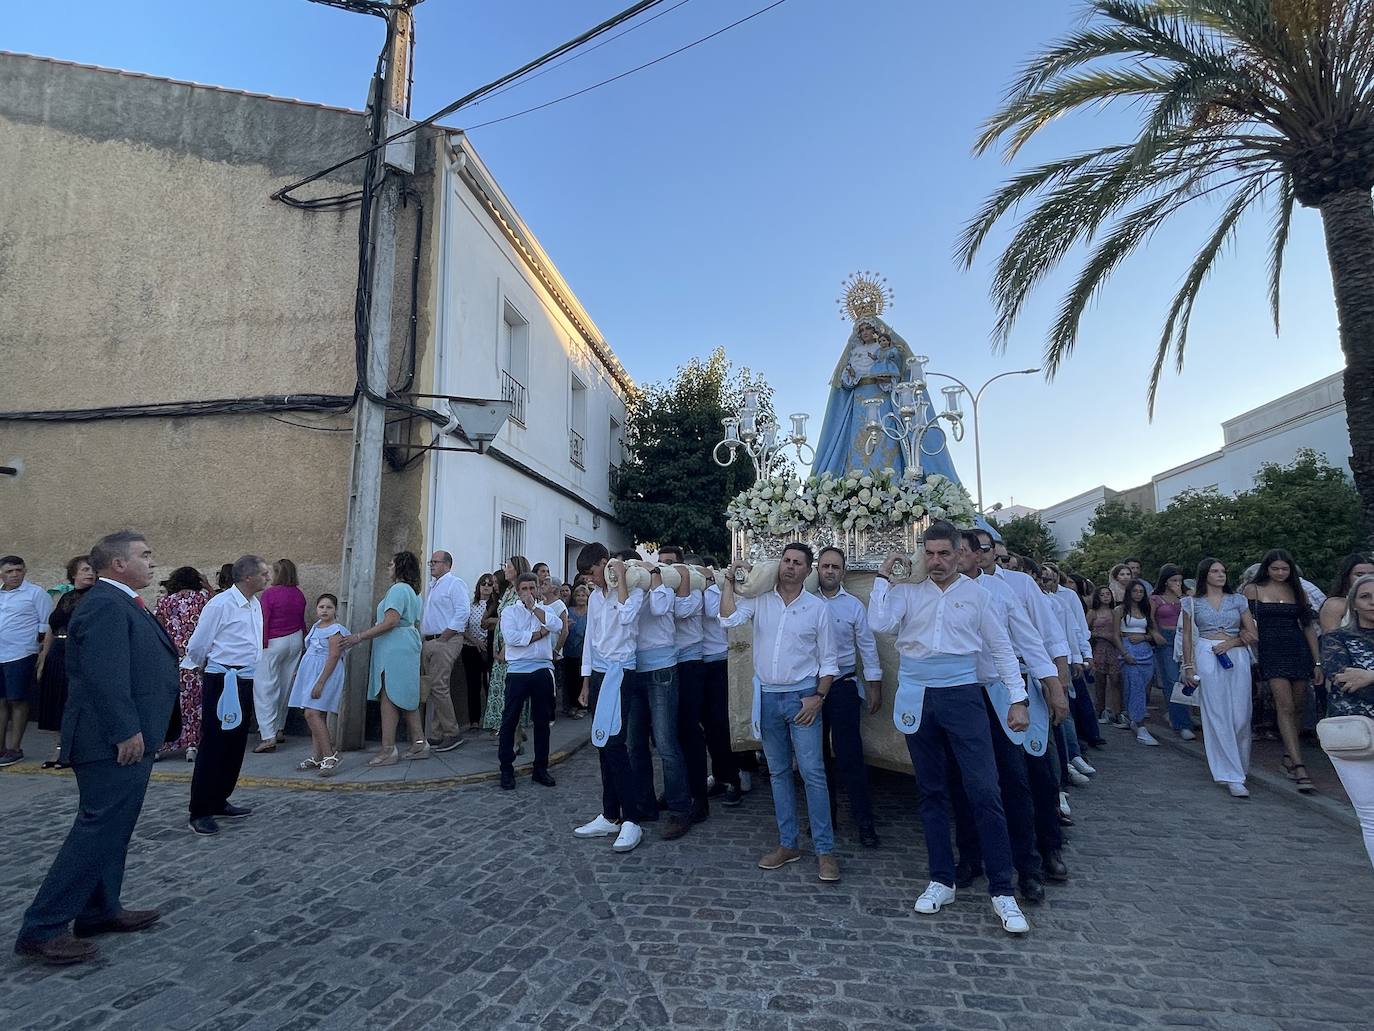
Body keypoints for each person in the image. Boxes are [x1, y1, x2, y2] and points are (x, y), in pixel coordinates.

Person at [13, 532, 179, 966]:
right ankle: (43, 928)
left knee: (114, 829)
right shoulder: (106, 604)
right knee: (96, 830)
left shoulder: (121, 601)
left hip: (129, 736)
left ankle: (99, 910)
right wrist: (125, 731)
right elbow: (106, 676)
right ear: (118, 564)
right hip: (112, 742)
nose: (153, 562)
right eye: (145, 555)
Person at [869, 523, 1031, 935]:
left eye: (945, 553)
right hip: (917, 694)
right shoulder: (906, 591)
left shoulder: (980, 596)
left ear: (961, 553)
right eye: (931, 553)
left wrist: (1018, 697)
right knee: (931, 789)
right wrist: (884, 578)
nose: (937, 561)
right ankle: (942, 878)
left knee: (984, 789)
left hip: (962, 694)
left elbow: (1000, 647)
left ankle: (1002, 889)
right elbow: (881, 624)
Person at [721, 543, 841, 883]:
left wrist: (818, 697)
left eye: (797, 563)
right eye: (786, 561)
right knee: (777, 773)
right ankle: (788, 844)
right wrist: (730, 581)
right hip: (769, 698)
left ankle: (825, 850)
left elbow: (829, 660)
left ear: (808, 570)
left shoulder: (817, 609)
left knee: (813, 773)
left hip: (803, 698)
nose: (790, 567)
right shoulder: (759, 601)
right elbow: (728, 619)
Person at [955, 532, 1061, 905]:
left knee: (1016, 782)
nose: (963, 557)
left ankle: (1028, 866)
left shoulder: (1002, 592)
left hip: (1003, 692)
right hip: (962, 696)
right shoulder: (938, 592)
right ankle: (970, 857)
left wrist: (1053, 683)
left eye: (967, 551)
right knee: (965, 783)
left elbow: (1030, 639)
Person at [183, 555, 270, 834]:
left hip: (245, 678)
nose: (268, 578)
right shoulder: (220, 604)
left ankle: (220, 798)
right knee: (215, 742)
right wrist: (204, 668)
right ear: (248, 577)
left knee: (235, 741)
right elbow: (198, 644)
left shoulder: (254, 604)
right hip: (222, 679)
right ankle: (200, 809)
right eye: (264, 574)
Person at [573, 544, 648, 854]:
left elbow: (629, 617)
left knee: (616, 743)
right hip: (601, 673)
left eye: (592, 572)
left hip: (621, 671)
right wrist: (586, 681)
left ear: (604, 564)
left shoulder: (634, 589)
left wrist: (621, 579)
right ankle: (610, 813)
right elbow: (590, 640)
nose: (590, 580)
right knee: (602, 742)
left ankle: (632, 818)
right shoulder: (593, 597)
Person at [814, 546, 882, 848]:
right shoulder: (804, 603)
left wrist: (874, 684)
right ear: (817, 569)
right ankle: (824, 817)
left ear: (843, 572)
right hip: (810, 689)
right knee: (815, 759)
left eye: (835, 567)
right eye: (825, 566)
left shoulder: (853, 605)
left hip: (842, 686)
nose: (829, 571)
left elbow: (866, 645)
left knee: (850, 757)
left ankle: (864, 821)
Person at [1242, 549, 1323, 793]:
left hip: (1298, 649)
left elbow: (1308, 627)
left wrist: (1317, 662)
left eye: (1284, 569)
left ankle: (1289, 756)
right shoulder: (1252, 590)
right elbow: (1244, 622)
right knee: (1284, 705)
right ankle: (1299, 765)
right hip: (1271, 651)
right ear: (1266, 568)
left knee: (1298, 706)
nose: (1279, 573)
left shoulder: (1298, 591)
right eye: (1275, 568)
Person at [626, 550, 693, 839]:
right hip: (633, 667)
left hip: (662, 668)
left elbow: (659, 608)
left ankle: (680, 809)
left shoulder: (662, 586)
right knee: (634, 743)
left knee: (665, 742)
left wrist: (652, 574)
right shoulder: (628, 589)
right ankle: (645, 803)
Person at [1181, 558, 1259, 798]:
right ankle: (1230, 774)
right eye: (1215, 571)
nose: (1220, 574)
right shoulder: (1191, 603)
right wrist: (1188, 666)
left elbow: (1252, 633)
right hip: (1206, 652)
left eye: (1223, 570)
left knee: (1240, 714)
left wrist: (1231, 643)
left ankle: (1239, 764)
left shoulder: (1238, 600)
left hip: (1236, 655)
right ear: (1205, 575)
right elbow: (1186, 636)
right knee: (1216, 713)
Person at [348, 552, 426, 767]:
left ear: (399, 567)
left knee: (389, 696)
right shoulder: (412, 592)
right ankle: (420, 742)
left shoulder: (398, 590)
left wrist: (360, 636)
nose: (388, 568)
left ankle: (388, 749)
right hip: (406, 644)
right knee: (406, 695)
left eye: (391, 564)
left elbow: (391, 621)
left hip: (394, 647)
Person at [1319, 573, 1374, 867]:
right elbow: (1340, 678)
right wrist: (1359, 679)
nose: (1373, 602)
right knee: (1370, 815)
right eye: (1366, 596)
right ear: (1353, 602)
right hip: (1352, 731)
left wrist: (1369, 676)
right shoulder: (1336, 638)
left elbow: (1360, 680)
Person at [497, 573, 562, 790]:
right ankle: (506, 769)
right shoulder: (509, 612)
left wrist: (535, 610)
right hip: (518, 671)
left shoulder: (546, 610)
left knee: (542, 722)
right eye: (524, 589)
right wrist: (537, 634)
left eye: (532, 588)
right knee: (510, 720)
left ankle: (540, 768)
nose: (529, 593)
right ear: (518, 591)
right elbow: (512, 638)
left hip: (542, 668)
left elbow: (556, 625)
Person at [660, 545, 710, 823]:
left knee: (689, 730)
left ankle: (699, 797)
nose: (664, 568)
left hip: (690, 662)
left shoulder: (693, 589)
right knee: (668, 733)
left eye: (670, 563)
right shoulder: (660, 587)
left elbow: (680, 611)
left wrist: (685, 578)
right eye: (660, 563)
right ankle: (675, 789)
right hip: (668, 661)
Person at [35, 557, 97, 765]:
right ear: (74, 574)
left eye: (93, 570)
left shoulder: (97, 597)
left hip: (80, 652)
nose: (90, 573)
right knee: (56, 701)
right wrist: (44, 658)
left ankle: (77, 749)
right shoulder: (65, 597)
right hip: (58, 653)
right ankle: (60, 749)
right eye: (85, 569)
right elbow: (52, 627)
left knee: (77, 702)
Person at [152, 566, 211, 762]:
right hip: (195, 660)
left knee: (169, 704)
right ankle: (192, 744)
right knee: (193, 704)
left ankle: (162, 745)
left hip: (171, 660)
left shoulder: (164, 602)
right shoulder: (202, 600)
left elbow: (156, 629)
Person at [0, 554, 54, 767]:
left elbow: (45, 625)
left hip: (21, 654)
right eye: (9, 571)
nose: (14, 575)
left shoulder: (36, 594)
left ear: (24, 571)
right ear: (1, 573)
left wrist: (41, 654)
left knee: (18, 700)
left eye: (18, 570)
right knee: (1, 701)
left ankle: (15, 748)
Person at [287, 594, 347, 777]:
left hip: (325, 674)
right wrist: (301, 671)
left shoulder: (335, 630)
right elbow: (311, 650)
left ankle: (330, 755)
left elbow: (334, 656)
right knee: (316, 714)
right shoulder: (315, 627)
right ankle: (317, 755)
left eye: (329, 607)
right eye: (321, 607)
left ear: (335, 610)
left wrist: (320, 682)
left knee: (311, 713)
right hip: (310, 674)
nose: (325, 610)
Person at [701, 556, 744, 806]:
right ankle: (718, 774)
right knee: (705, 727)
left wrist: (707, 583)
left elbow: (711, 611)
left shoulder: (716, 590)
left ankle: (732, 778)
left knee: (720, 724)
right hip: (694, 660)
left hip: (718, 660)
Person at [252, 558, 307, 754]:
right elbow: (302, 619)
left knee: (265, 687)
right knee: (285, 687)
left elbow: (264, 620)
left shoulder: (269, 594)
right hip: (296, 639)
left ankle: (268, 735)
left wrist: (262, 644)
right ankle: (279, 727)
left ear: (277, 574)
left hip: (274, 641)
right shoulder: (299, 594)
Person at [419, 550, 469, 753]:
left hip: (445, 640)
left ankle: (452, 732)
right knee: (434, 687)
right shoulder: (434, 586)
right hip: (431, 640)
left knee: (438, 685)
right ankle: (437, 733)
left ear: (447, 564)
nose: (431, 564)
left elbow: (463, 611)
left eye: (435, 562)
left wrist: (444, 637)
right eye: (431, 562)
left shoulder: (454, 584)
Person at [483, 556, 531, 733]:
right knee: (501, 688)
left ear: (516, 569)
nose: (505, 569)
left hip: (512, 650)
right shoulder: (510, 590)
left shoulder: (522, 592)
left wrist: (506, 648)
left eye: (508, 566)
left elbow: (522, 623)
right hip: (501, 647)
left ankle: (512, 730)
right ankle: (508, 727)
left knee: (510, 691)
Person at [1150, 565, 1196, 740]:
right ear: (1165, 581)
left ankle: (1180, 714)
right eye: (1173, 580)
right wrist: (1154, 633)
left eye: (1179, 580)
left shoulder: (1187, 597)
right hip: (1166, 638)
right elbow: (1151, 618)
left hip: (1185, 637)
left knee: (1188, 677)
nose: (1177, 583)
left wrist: (1181, 596)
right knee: (1172, 679)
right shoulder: (1155, 598)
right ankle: (1182, 723)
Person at [1116, 579, 1163, 747]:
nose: (1138, 594)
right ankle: (1140, 724)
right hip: (1128, 650)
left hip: (1145, 651)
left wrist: (1144, 637)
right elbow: (1115, 635)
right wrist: (1124, 653)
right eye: (1135, 591)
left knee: (1143, 687)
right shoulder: (1120, 610)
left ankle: (1133, 717)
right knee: (1134, 685)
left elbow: (1153, 633)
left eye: (1141, 591)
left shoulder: (1145, 610)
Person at [461, 574, 496, 729]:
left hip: (488, 649)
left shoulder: (495, 606)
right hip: (470, 648)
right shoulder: (471, 605)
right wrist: (475, 642)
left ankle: (491, 718)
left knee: (488, 682)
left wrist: (485, 644)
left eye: (489, 584)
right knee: (472, 684)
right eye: (483, 584)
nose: (486, 586)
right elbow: (463, 627)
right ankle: (474, 720)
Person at [1087, 586, 1125, 727]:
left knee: (1115, 680)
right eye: (1102, 594)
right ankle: (1099, 709)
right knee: (1100, 681)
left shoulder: (1115, 612)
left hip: (1114, 648)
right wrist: (1099, 634)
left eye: (1108, 594)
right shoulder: (1093, 612)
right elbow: (1085, 630)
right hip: (1099, 647)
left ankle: (1116, 710)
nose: (1105, 597)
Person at [1319, 554, 1374, 634]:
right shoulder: (1335, 605)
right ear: (1346, 577)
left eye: (1371, 574)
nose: (1365, 578)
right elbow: (1331, 640)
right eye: (1359, 575)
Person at [561, 583, 589, 718]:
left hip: (585, 651)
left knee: (582, 679)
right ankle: (572, 705)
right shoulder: (569, 611)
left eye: (583, 595)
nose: (581, 598)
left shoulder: (591, 611)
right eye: (578, 595)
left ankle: (582, 707)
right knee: (570, 679)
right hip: (570, 650)